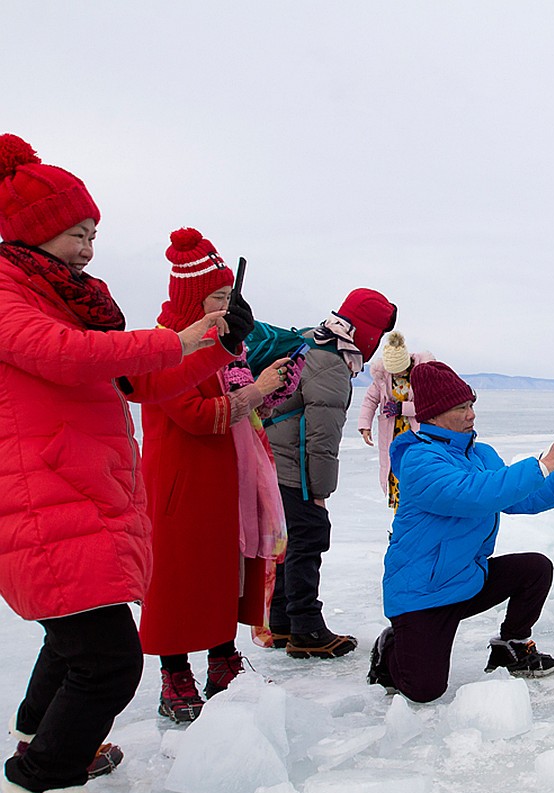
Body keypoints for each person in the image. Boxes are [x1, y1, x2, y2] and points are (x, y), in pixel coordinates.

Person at [0, 134, 251, 793]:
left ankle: (38, 745)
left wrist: (217, 346)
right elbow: (63, 355)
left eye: (93, 235)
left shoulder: (72, 297)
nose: (88, 248)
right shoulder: (11, 293)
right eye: (78, 233)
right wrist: (185, 335)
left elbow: (140, 383)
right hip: (39, 496)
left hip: (83, 489)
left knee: (75, 638)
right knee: (107, 661)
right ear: (34, 227)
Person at [368, 361, 554, 703]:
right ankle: (392, 645)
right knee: (424, 690)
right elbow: (475, 493)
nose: (471, 415)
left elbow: (521, 497)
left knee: (534, 569)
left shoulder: (480, 454)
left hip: (466, 580)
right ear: (433, 416)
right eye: (460, 408)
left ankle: (512, 644)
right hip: (423, 593)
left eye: (471, 405)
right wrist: (544, 463)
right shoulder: (419, 460)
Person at [139, 228, 299, 724]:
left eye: (231, 295)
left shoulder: (226, 345)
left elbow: (238, 409)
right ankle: (175, 674)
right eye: (219, 296)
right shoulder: (168, 347)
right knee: (180, 577)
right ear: (194, 299)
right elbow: (195, 414)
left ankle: (223, 662)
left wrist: (273, 389)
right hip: (181, 482)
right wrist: (258, 391)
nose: (228, 305)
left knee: (224, 571)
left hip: (226, 476)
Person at [255, 288, 397, 657]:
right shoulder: (332, 362)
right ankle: (306, 628)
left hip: (270, 456)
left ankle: (282, 622)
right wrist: (319, 491)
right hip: (292, 465)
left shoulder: (309, 340)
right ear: (367, 330)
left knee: (291, 539)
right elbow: (321, 436)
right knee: (310, 535)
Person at [357, 331, 434, 507]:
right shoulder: (383, 377)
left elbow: (429, 405)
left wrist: (402, 408)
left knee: (417, 475)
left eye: (399, 371)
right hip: (393, 436)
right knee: (395, 475)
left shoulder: (422, 373)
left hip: (417, 434)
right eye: (393, 372)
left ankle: (416, 521)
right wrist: (365, 425)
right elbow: (370, 400)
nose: (396, 375)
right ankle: (399, 524)